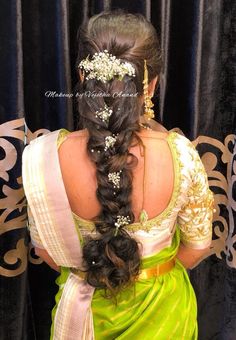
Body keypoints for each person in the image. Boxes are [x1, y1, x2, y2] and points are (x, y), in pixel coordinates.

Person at [22, 11, 214, 340]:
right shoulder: (181, 154)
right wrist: (148, 274)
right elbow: (196, 248)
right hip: (164, 315)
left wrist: (95, 273)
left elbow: (47, 253)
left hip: (83, 319)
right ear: (151, 84)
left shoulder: (43, 156)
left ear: (83, 76)